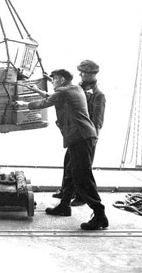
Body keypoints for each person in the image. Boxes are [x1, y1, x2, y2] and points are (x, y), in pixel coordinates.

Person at [15, 68, 108, 230]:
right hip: (80, 137)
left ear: (63, 80)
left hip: (80, 137)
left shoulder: (64, 92)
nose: (53, 82)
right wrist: (38, 90)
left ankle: (100, 215)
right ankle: (64, 206)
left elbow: (46, 102)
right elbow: (55, 98)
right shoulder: (75, 88)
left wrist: (24, 104)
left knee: (82, 177)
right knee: (70, 172)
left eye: (55, 79)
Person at [54, 60, 106, 206]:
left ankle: (80, 197)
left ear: (92, 74)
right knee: (69, 165)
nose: (80, 74)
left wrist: (94, 138)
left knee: (81, 170)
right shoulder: (77, 87)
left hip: (85, 136)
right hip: (75, 135)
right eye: (80, 72)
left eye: (83, 72)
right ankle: (65, 194)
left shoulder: (98, 94)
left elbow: (98, 120)